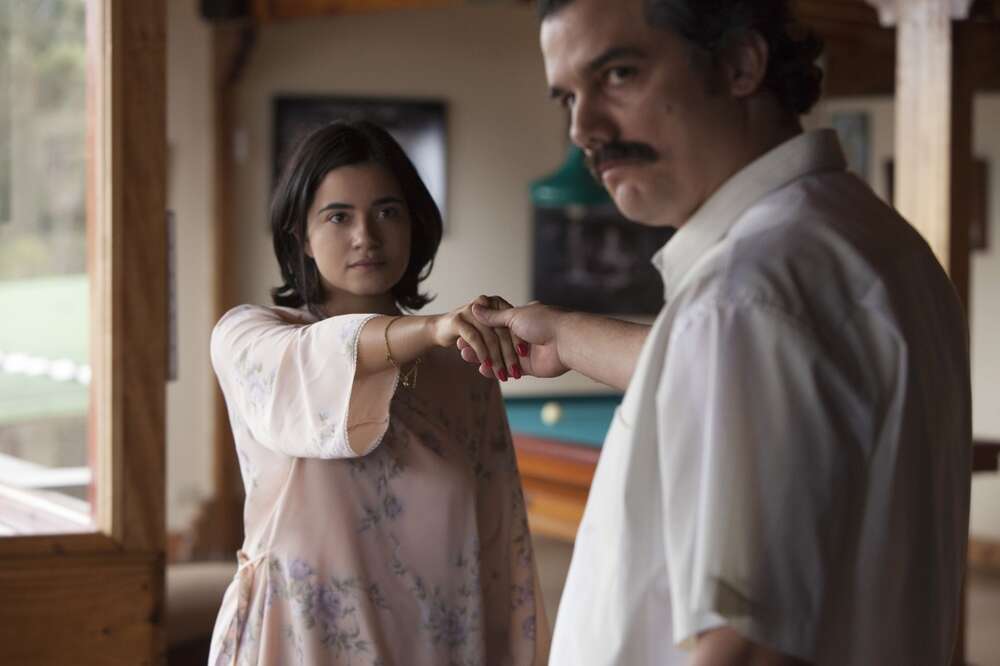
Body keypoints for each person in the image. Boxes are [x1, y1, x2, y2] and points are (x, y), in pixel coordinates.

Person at [466, 0, 972, 664]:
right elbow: (715, 366)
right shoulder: (874, 241)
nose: (584, 129)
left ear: (739, 63)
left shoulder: (745, 298)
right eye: (568, 97)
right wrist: (562, 333)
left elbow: (749, 648)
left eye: (618, 74)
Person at [207, 120, 548, 665]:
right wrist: (431, 328)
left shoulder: (463, 364)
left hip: (437, 645)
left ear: (414, 224)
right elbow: (317, 359)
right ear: (300, 235)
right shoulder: (252, 338)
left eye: (387, 212)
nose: (365, 235)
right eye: (338, 216)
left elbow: (499, 543)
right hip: (300, 644)